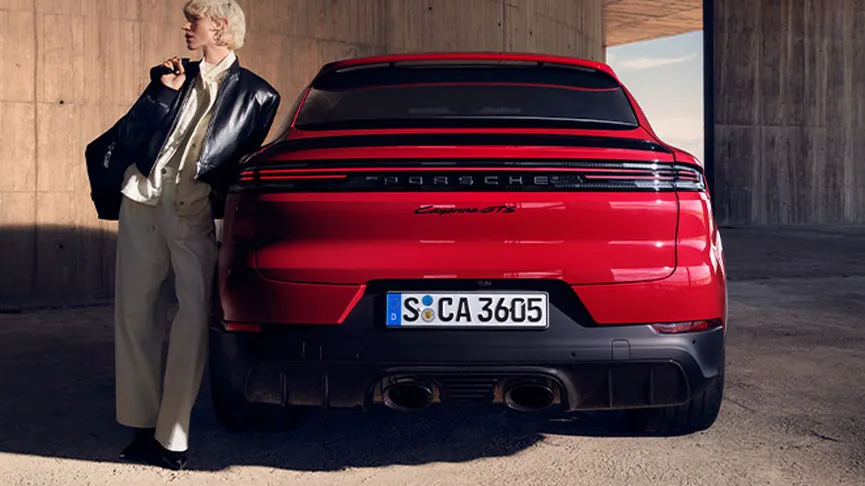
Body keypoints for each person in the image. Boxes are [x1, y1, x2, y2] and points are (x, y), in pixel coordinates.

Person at [111, 0, 280, 470]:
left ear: (221, 28)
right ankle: (142, 429)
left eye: (195, 20)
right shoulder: (171, 74)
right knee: (135, 315)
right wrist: (159, 94)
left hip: (193, 211)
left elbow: (237, 163)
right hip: (142, 199)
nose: (186, 28)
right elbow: (131, 135)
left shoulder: (258, 95)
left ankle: (173, 435)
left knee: (191, 322)